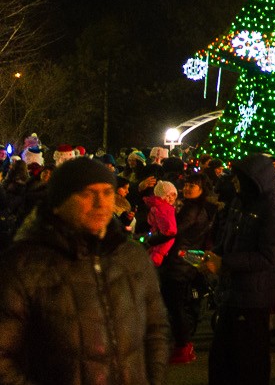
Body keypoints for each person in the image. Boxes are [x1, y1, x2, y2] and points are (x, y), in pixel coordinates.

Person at [0, 156, 169, 385]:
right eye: (88, 194)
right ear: (59, 202)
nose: (101, 203)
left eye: (107, 193)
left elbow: (156, 329)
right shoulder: (24, 265)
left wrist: (153, 378)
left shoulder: (131, 257)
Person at [204, 152, 275, 385]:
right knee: (222, 359)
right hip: (231, 292)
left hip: (253, 297)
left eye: (239, 177)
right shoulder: (239, 201)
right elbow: (228, 236)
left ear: (254, 179)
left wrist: (225, 263)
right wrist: (214, 255)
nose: (234, 181)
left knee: (249, 360)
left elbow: (268, 256)